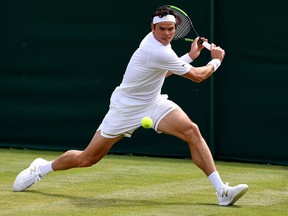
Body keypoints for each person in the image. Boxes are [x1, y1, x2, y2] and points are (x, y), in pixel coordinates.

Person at [13, 6, 248, 206]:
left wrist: (189, 56)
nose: (167, 33)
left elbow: (163, 73)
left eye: (171, 29)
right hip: (124, 109)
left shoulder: (162, 49)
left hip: (153, 103)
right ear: (152, 28)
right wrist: (216, 59)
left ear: (176, 29)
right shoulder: (154, 49)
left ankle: (222, 192)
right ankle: (41, 169)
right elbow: (197, 77)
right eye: (162, 29)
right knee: (88, 158)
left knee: (192, 130)